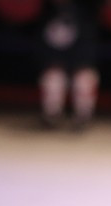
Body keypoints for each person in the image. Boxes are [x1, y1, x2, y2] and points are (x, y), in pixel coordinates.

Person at [38, 0, 101, 130]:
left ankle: (83, 117)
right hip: (54, 61)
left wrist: (82, 63)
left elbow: (89, 46)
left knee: (84, 79)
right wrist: (51, 61)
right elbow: (42, 44)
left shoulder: (86, 12)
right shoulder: (46, 12)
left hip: (81, 61)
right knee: (53, 78)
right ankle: (52, 117)